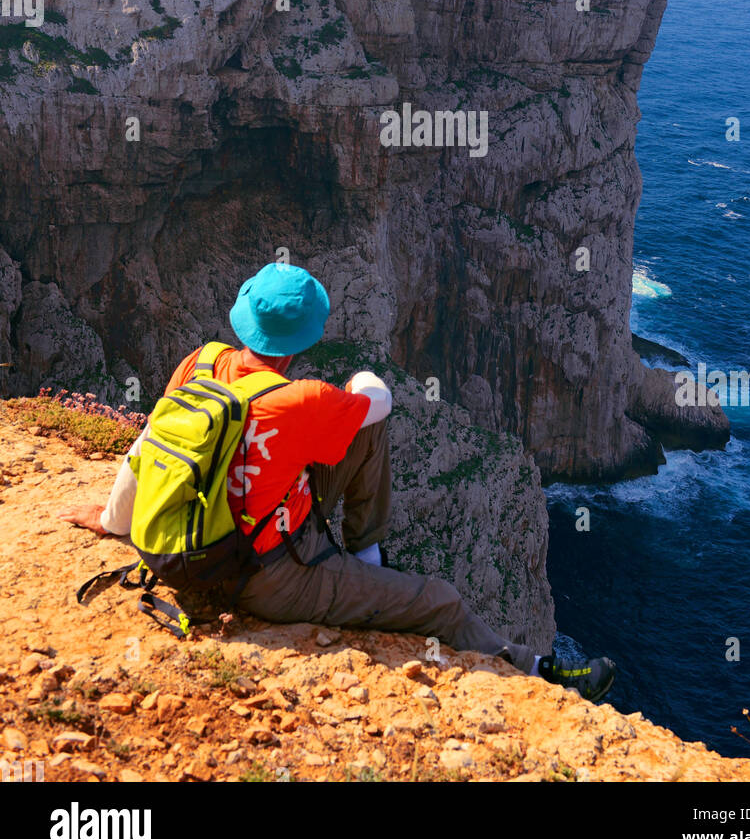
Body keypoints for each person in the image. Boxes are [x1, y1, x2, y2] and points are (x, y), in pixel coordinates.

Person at [60, 262, 615, 700]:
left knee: (359, 435)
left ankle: (366, 562)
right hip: (268, 575)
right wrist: (360, 379)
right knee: (441, 601)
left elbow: (148, 448)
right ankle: (540, 672)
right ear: (303, 339)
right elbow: (381, 401)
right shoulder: (304, 400)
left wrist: (114, 522)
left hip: (205, 535)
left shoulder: (201, 363)